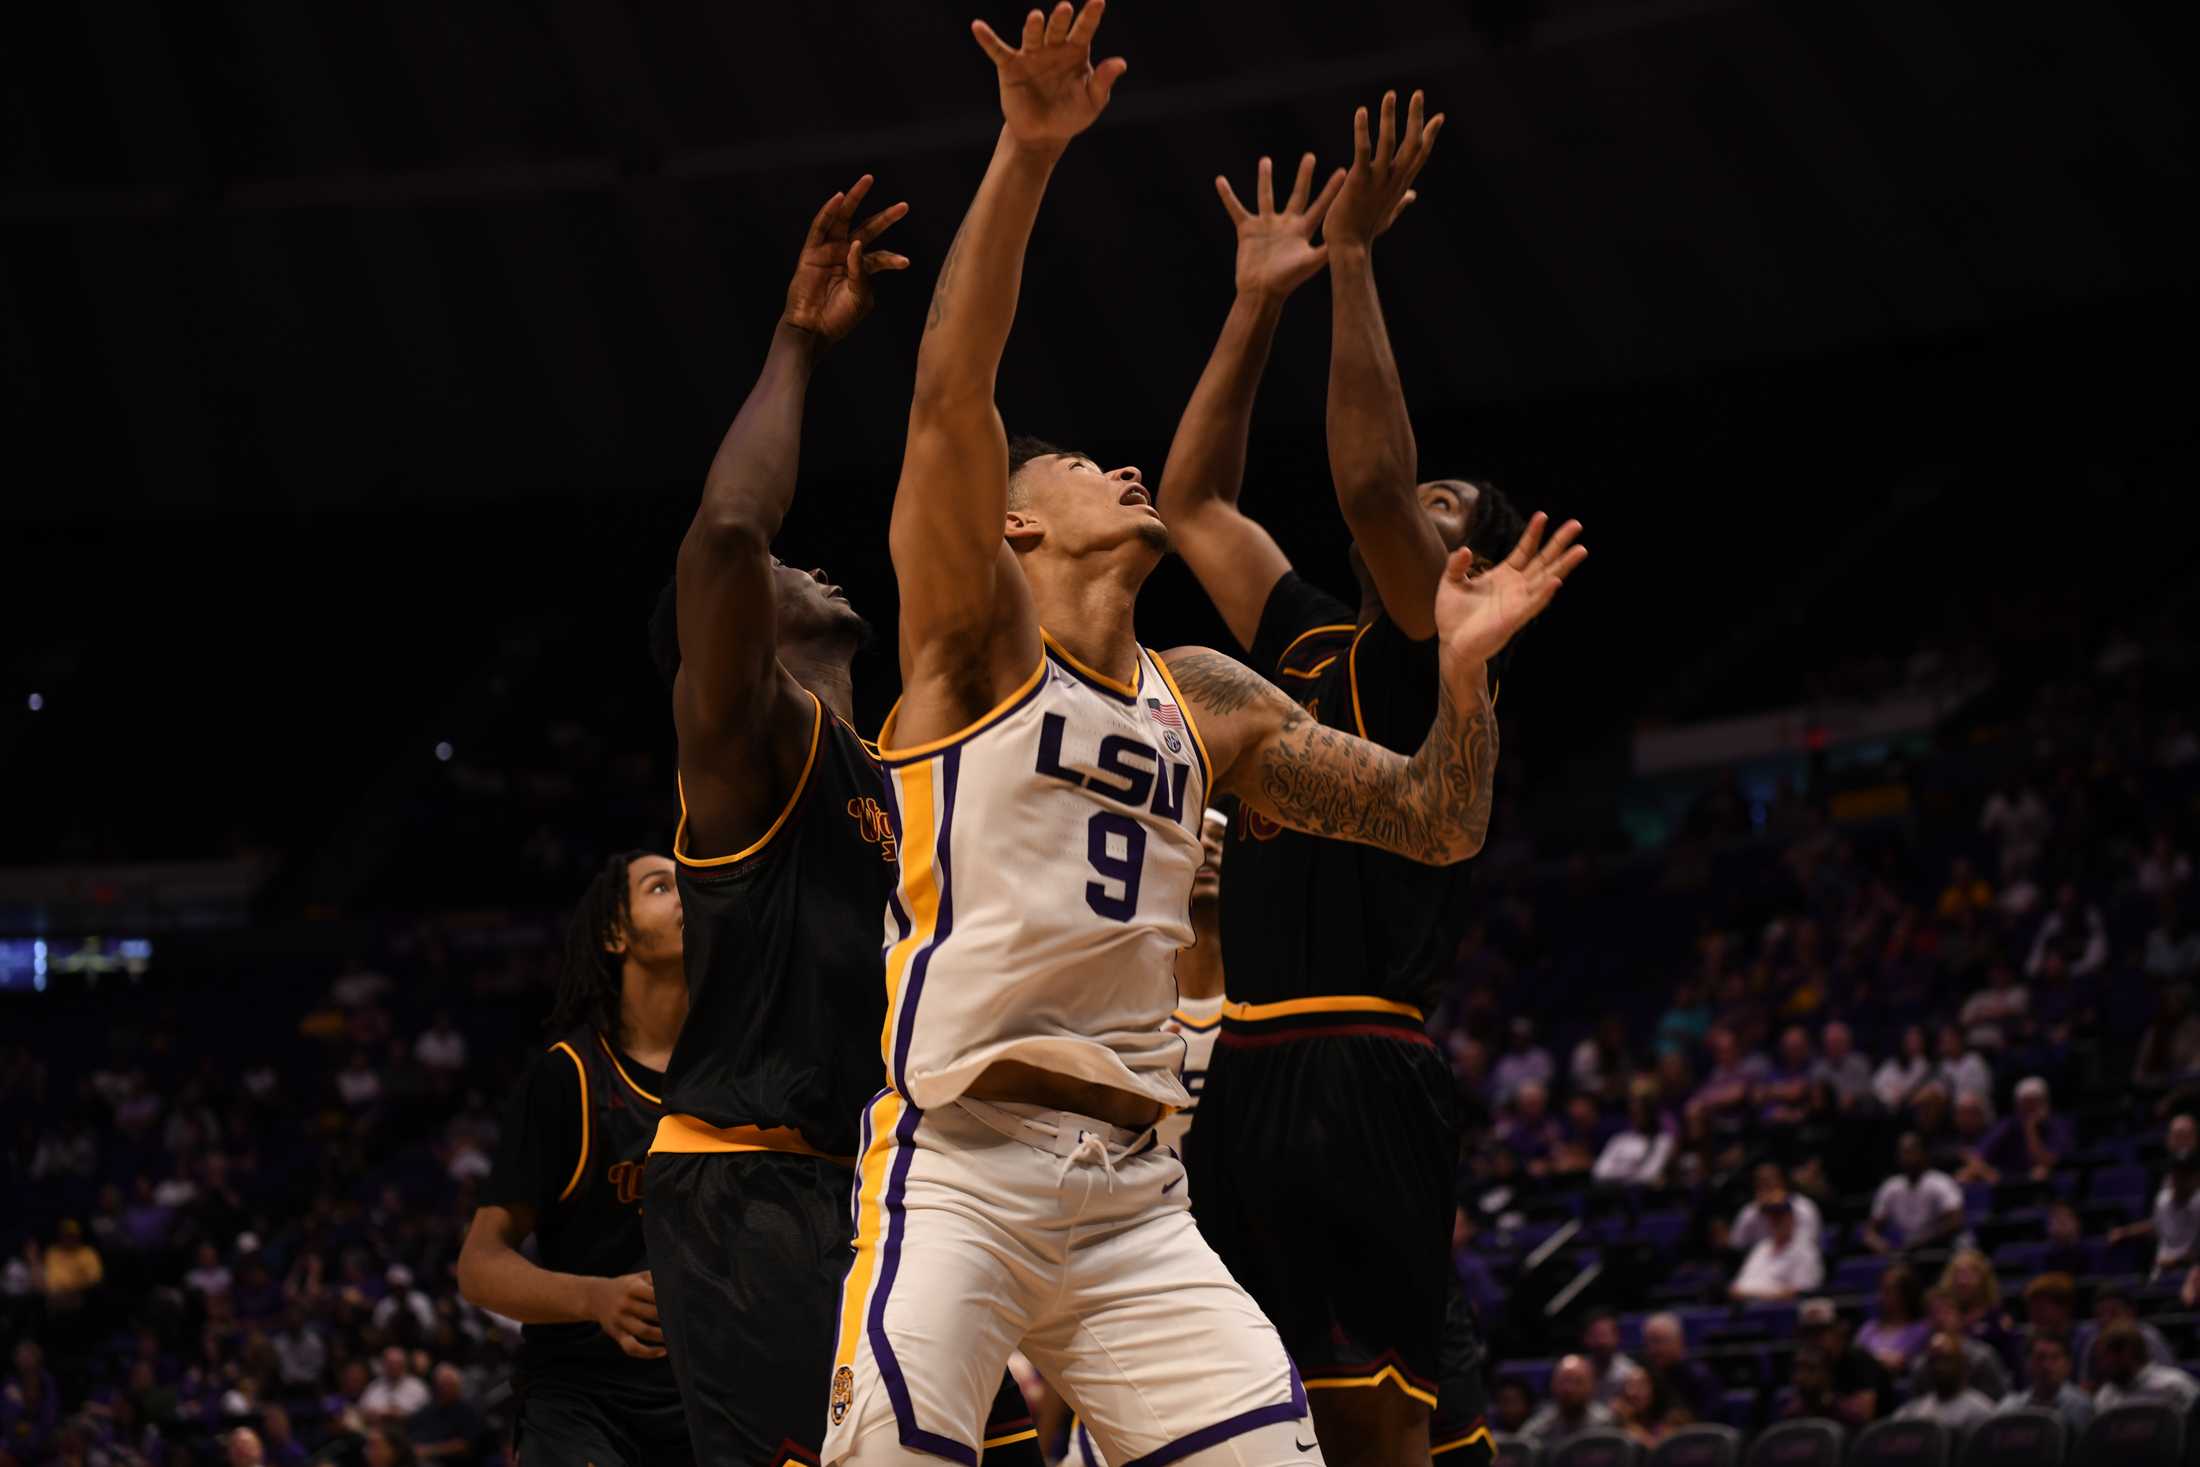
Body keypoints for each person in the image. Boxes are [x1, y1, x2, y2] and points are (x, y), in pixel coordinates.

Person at [836, 9, 1581, 1461]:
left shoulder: (1213, 694)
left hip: (1140, 1193)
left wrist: (1473, 676)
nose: (1124, 469)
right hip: (964, 1160)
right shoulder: (970, 645)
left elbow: (1439, 821)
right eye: (1077, 465)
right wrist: (1027, 150)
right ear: (1012, 521)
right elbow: (947, 395)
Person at [625, 179, 1040, 1467]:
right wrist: (800, 341)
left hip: (881, 1179)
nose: (810, 569)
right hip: (748, 1188)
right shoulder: (752, 754)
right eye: (780, 581)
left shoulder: (894, 762)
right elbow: (733, 531)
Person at [1156, 91, 1522, 1462]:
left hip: (1365, 1053)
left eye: (1448, 519)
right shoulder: (1308, 630)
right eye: (1428, 507)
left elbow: (1373, 481)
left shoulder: (1446, 649)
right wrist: (1257, 301)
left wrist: (1355, 261)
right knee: (1246, 1418)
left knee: (1382, 1427)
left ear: (1469, 569)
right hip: (1246, 1058)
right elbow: (1195, 502)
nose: (1419, 518)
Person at [455, 851, 690, 1465]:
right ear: (615, 934)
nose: (686, 895)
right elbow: (478, 1266)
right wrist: (595, 1298)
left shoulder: (736, 1066)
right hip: (586, 1400)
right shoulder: (570, 1078)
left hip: (710, 1390)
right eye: (661, 886)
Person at [1158, 807, 1229, 1157]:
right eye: (1196, 836)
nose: (1208, 847)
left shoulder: (1259, 1013)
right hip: (1150, 1204)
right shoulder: (1135, 1013)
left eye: (1221, 839)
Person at [1864, 1134, 1967, 1254]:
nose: (1907, 1157)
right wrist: (1880, 1245)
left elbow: (1956, 1221)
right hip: (1906, 1250)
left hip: (1938, 1248)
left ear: (1924, 1154)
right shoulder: (1891, 1186)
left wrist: (1922, 1241)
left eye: (1911, 1151)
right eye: (1903, 1152)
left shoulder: (1940, 1182)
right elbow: (1871, 1230)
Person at [1796, 1298, 1890, 1428]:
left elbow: (1864, 1415)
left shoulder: (1860, 1360)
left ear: (1839, 1329)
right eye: (1808, 1333)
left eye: (1821, 1331)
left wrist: (1825, 1399)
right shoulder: (1808, 1365)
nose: (1814, 1340)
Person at [2107, 1149, 2200, 1278]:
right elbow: (2157, 1226)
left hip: (2191, 1274)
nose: (2180, 1180)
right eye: (2176, 1174)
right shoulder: (2163, 1200)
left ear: (2196, 1177)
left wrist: (2177, 1262)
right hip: (2162, 1272)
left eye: (2185, 1175)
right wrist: (2125, 1232)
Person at [1961, 1077, 2071, 1184]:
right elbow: (1976, 1154)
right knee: (1966, 1174)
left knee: (2041, 1172)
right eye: (2025, 1102)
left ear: (2045, 1102)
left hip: (2046, 1179)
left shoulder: (2057, 1124)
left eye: (2034, 1102)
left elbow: (2049, 1161)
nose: (2030, 1107)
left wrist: (2030, 1129)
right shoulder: (2009, 1124)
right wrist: (1989, 1174)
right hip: (2008, 1178)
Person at [1895, 1333, 1995, 1435]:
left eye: (1947, 1360)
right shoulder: (1915, 1410)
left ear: (1961, 1363)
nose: (1940, 1367)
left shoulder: (1980, 1410)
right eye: (1934, 1361)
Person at [1995, 1334, 2091, 1438]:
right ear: (2027, 1364)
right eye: (2040, 1358)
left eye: (2055, 1358)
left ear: (2068, 1364)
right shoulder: (2010, 1407)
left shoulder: (2081, 1406)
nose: (2047, 1365)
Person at [2091, 1322, 2200, 1412]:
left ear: (2127, 1352)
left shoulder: (2176, 1386)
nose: (2102, 1365)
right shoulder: (2105, 1396)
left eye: (2105, 1358)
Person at [1731, 1195, 1823, 1302]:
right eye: (1771, 1217)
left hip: (1779, 1313)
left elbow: (1800, 1293)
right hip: (1748, 1310)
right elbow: (1736, 1288)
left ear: (1791, 1218)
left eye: (1779, 1216)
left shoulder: (1805, 1250)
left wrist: (1753, 1296)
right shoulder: (1762, 1247)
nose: (1774, 1221)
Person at [1517, 1358, 1615, 1446]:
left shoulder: (1607, 1425)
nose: (1569, 1389)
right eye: (1564, 1382)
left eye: (1578, 1382)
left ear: (1592, 1386)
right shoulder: (1537, 1430)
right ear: (1552, 1386)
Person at [1638, 1314, 1716, 1424]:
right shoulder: (1645, 1375)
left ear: (1678, 1341)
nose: (1652, 1350)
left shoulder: (1700, 1377)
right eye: (1648, 1343)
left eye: (1658, 1341)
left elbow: (1710, 1421)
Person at [1856, 1266, 1930, 1376]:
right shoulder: (1869, 1328)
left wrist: (1872, 1359)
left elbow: (1898, 1363)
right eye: (1882, 1290)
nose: (1882, 1296)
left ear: (1907, 1295)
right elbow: (1855, 1361)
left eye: (1889, 1291)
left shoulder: (1921, 1329)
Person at [407, 1363, 486, 1462]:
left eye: (449, 1385)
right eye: (442, 1385)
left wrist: (429, 1450)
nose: (445, 1389)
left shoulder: (469, 1410)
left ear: (458, 1386)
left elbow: (464, 1445)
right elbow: (413, 1435)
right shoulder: (427, 1409)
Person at [1733, 1163, 1823, 1250]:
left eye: (1769, 1181)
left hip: (1797, 1259)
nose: (1765, 1187)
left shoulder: (1804, 1207)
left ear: (1783, 1181)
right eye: (1760, 1182)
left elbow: (1808, 1245)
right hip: (1763, 1259)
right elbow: (1737, 1244)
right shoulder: (1750, 1210)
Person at [1580, 1313, 1643, 1405]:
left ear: (1617, 1337)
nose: (1601, 1341)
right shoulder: (1578, 1373)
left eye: (1605, 1335)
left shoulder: (1630, 1372)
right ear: (1586, 1338)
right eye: (1596, 1335)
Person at [358, 1348, 428, 1426]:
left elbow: (426, 1414)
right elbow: (362, 1410)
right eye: (390, 1363)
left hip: (410, 1430)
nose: (394, 1367)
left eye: (398, 1363)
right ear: (384, 1365)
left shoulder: (418, 1387)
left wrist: (401, 1414)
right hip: (378, 1429)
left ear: (405, 1365)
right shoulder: (374, 1386)